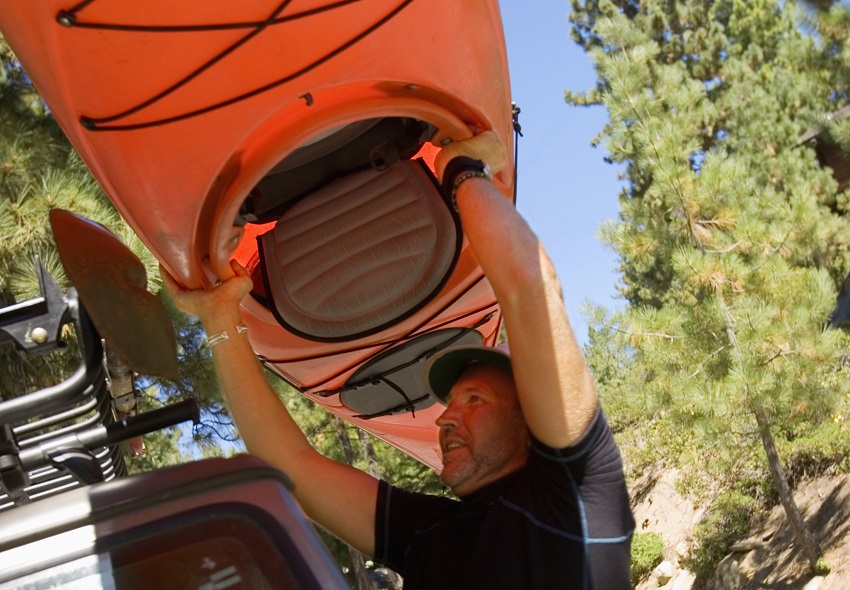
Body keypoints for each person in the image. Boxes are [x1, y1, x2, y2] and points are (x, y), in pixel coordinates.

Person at [162, 131, 635, 589]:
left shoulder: (574, 498)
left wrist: (218, 314)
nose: (446, 417)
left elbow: (290, 468)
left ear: (534, 421)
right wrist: (463, 170)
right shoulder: (463, 526)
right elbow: (530, 285)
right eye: (464, 400)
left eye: (471, 399)